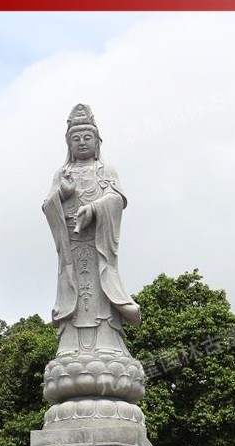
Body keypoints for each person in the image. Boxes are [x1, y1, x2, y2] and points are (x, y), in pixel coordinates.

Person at [42, 104, 141, 356]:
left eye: (87, 137)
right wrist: (61, 194)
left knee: (101, 294)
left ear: (97, 142)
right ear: (69, 144)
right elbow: (48, 206)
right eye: (76, 139)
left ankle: (108, 343)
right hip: (73, 248)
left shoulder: (105, 170)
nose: (82, 142)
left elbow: (116, 200)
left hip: (98, 246)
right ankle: (70, 345)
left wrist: (95, 208)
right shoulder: (62, 173)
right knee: (73, 290)